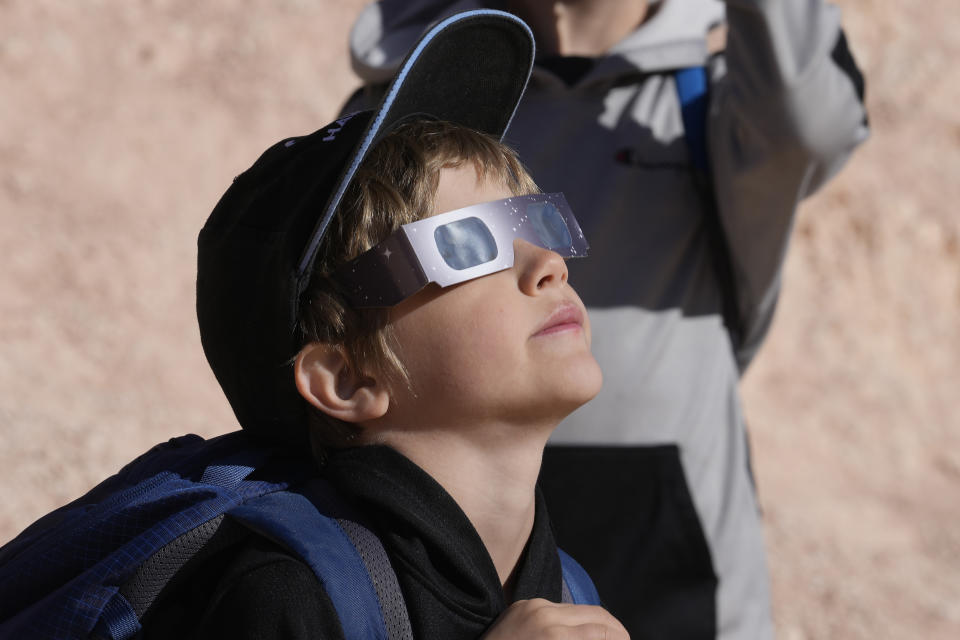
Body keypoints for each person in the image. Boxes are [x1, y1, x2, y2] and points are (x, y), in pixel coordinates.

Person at [343, 1, 870, 638]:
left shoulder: (712, 92)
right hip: (451, 517)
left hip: (677, 550)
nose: (551, 265)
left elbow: (809, 124)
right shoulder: (418, 91)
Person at [146, 10, 626, 639]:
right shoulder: (286, 595)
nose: (548, 265)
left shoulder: (569, 593)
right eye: (466, 244)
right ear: (347, 378)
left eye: (535, 222)